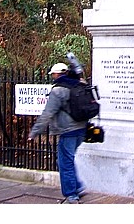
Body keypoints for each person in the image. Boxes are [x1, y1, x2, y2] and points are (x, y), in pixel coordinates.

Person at [28, 59, 88, 204]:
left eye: (53, 74)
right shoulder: (78, 84)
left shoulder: (58, 90)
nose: (52, 76)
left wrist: (34, 132)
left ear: (57, 74)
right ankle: (78, 186)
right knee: (67, 159)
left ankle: (72, 195)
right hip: (82, 128)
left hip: (68, 131)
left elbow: (47, 114)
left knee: (64, 162)